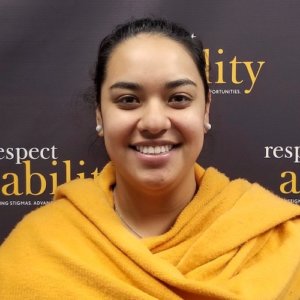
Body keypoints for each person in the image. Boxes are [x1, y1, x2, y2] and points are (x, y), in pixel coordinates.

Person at [0, 17, 300, 300]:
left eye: (179, 98)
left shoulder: (283, 243)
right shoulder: (39, 246)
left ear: (205, 110)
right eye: (128, 100)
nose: (154, 122)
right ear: (99, 115)